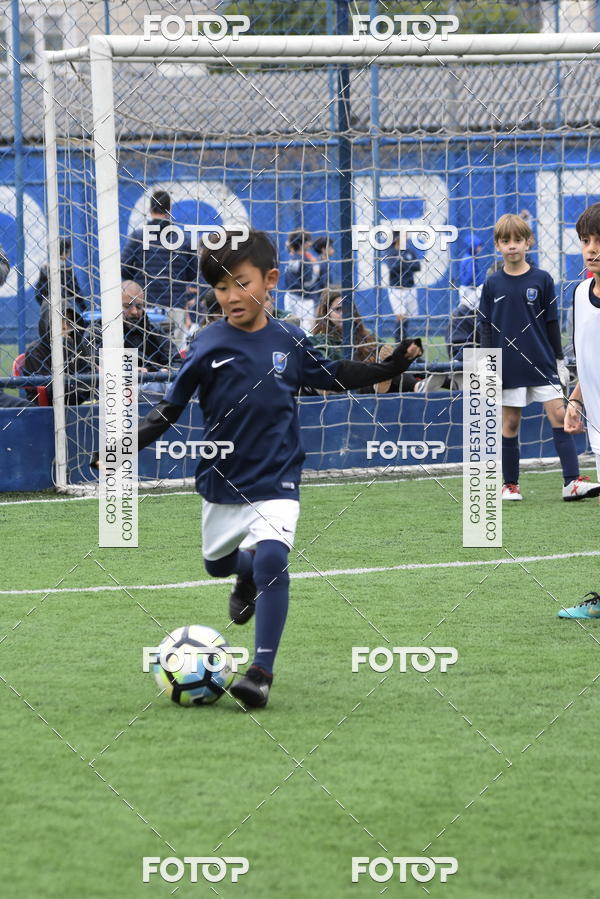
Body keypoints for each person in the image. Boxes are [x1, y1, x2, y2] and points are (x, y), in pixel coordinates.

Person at [130, 229, 422, 708]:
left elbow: (334, 374)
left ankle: (260, 671)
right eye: (220, 287)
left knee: (272, 559)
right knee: (216, 565)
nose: (230, 296)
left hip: (278, 478)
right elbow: (170, 407)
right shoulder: (206, 343)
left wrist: (390, 366)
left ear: (269, 280)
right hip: (221, 479)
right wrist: (129, 443)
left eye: (240, 283)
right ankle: (240, 573)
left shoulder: (290, 339)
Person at [478, 213, 600, 502]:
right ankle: (510, 484)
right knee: (509, 423)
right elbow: (484, 325)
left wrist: (558, 359)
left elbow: (551, 323)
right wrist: (487, 365)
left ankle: (571, 481)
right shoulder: (492, 284)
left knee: (560, 416)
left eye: (517, 240)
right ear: (497, 245)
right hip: (508, 365)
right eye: (505, 241)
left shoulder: (542, 279)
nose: (512, 246)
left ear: (528, 242)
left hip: (543, 362)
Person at [558, 203, 600, 618]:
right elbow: (587, 361)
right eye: (586, 241)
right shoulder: (579, 296)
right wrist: (575, 400)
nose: (592, 249)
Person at [121, 190, 200, 345]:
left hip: (145, 306)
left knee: (146, 348)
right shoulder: (184, 238)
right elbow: (192, 272)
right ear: (169, 210)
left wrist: (139, 283)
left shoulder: (139, 236)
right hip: (174, 304)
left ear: (150, 210)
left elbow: (124, 268)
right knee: (174, 355)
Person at [90, 281, 180, 376]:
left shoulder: (153, 330)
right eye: (127, 306)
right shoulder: (99, 329)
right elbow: (87, 362)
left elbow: (177, 362)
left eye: (139, 306)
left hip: (148, 386)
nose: (134, 311)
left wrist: (152, 372)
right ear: (115, 305)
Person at [23, 305, 91, 405]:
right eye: (60, 320)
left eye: (69, 321)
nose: (65, 326)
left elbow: (91, 376)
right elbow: (51, 392)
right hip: (46, 409)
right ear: (47, 323)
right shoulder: (35, 351)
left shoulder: (78, 345)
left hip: (83, 403)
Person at [383, 230, 421, 342]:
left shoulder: (409, 251)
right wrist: (407, 264)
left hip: (410, 287)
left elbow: (417, 266)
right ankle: (399, 340)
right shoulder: (390, 252)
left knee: (407, 316)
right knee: (400, 315)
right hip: (396, 289)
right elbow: (393, 267)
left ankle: (403, 339)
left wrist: (403, 263)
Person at [35, 238, 87, 314]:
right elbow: (76, 292)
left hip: (48, 308)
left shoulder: (45, 268)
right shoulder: (67, 270)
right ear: (64, 253)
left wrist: (44, 304)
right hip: (65, 308)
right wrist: (85, 310)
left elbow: (38, 294)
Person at [282, 230, 320, 332]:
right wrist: (316, 272)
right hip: (304, 299)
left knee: (291, 327)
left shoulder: (293, 258)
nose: (310, 243)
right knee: (306, 329)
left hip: (290, 295)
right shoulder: (305, 260)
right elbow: (308, 283)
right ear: (302, 243)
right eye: (308, 241)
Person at [457, 231, 483, 310]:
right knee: (469, 309)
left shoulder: (468, 257)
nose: (480, 248)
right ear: (472, 246)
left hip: (467, 288)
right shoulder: (470, 259)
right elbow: (470, 275)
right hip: (469, 289)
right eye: (478, 246)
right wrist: (476, 285)